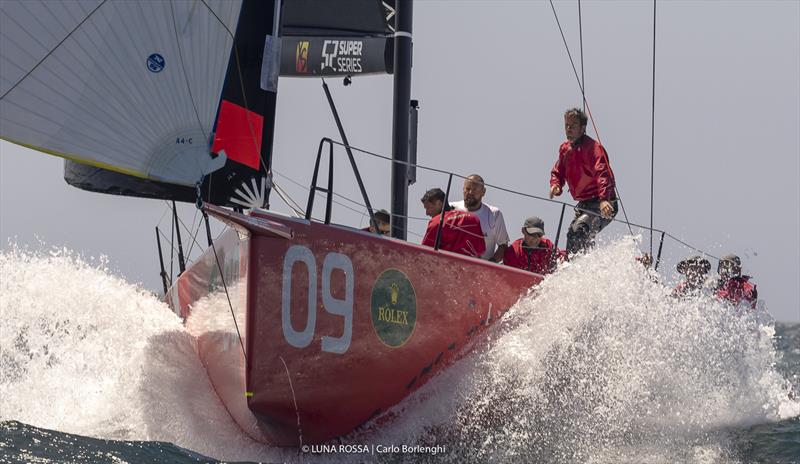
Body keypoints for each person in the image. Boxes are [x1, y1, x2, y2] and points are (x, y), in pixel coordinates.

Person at [549, 108, 618, 256]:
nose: (569, 129)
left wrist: (604, 199)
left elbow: (603, 174)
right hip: (584, 204)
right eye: (567, 125)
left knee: (579, 230)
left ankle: (580, 266)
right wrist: (555, 185)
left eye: (573, 125)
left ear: (582, 128)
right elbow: (558, 170)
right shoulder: (564, 148)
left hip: (603, 203)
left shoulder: (593, 148)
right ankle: (576, 268)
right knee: (572, 234)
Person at [451, 174, 509, 262]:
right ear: (463, 189)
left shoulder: (494, 214)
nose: (470, 193)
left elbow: (503, 245)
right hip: (452, 265)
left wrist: (491, 263)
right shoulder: (451, 208)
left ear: (483, 192)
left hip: (480, 270)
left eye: (474, 190)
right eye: (467, 189)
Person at [420, 188, 486, 258]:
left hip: (447, 266)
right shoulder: (473, 218)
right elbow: (481, 250)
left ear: (439, 203)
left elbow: (424, 252)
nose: (427, 213)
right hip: (471, 267)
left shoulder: (436, 222)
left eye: (428, 208)